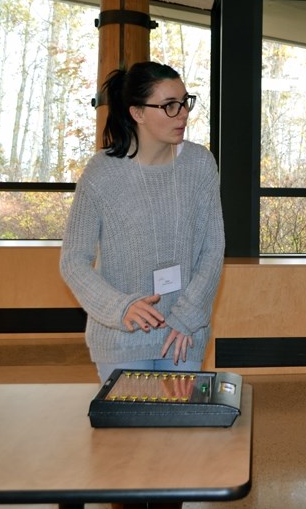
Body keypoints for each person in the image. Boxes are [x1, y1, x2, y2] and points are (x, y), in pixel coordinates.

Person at [60, 61, 225, 384]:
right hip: (121, 338)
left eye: (185, 102)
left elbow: (212, 248)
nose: (182, 114)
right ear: (137, 113)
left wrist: (188, 316)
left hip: (184, 334)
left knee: (180, 433)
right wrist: (120, 307)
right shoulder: (101, 173)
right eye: (169, 106)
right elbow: (73, 261)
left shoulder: (200, 163)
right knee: (129, 434)